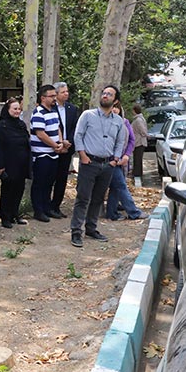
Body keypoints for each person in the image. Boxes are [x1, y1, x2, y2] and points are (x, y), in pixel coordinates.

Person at [70, 85, 127, 248]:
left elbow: (120, 141)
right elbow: (78, 135)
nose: (105, 96)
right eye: (104, 93)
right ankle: (76, 231)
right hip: (89, 162)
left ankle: (91, 228)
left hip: (107, 164)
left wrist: (115, 159)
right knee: (83, 197)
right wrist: (82, 155)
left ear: (115, 101)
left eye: (110, 94)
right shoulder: (88, 115)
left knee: (98, 198)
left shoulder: (118, 121)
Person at [0, 98, 30, 229]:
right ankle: (5, 217)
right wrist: (0, 166)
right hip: (8, 164)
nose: (17, 111)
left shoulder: (21, 125)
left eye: (19, 109)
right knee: (8, 190)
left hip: (22, 163)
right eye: (14, 109)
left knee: (19, 189)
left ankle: (15, 214)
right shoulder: (1, 126)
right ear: (7, 110)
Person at [29, 84, 64, 222]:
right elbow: (40, 134)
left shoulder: (54, 111)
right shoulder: (38, 113)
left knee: (49, 182)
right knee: (40, 183)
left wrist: (60, 142)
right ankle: (38, 210)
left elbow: (57, 127)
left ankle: (47, 208)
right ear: (43, 98)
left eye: (55, 95)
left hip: (54, 153)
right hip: (41, 154)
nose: (55, 98)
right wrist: (55, 145)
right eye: (51, 96)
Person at [105, 105, 146, 221]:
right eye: (112, 107)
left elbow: (132, 140)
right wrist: (114, 158)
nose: (114, 109)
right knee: (121, 185)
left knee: (116, 186)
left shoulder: (125, 122)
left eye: (116, 107)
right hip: (109, 160)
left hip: (122, 160)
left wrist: (126, 155)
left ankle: (112, 213)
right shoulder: (104, 123)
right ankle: (133, 212)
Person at [50, 81, 79, 215]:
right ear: (56, 94)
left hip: (67, 149)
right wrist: (60, 142)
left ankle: (56, 206)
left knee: (62, 179)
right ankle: (46, 206)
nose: (66, 94)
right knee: (50, 178)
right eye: (63, 92)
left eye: (67, 91)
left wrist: (69, 141)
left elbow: (75, 127)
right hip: (53, 148)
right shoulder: (50, 108)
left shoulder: (72, 109)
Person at [130, 103, 148, 187]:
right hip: (138, 142)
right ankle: (137, 174)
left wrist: (145, 135)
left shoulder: (138, 120)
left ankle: (137, 175)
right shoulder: (139, 119)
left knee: (138, 160)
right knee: (137, 159)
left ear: (135, 111)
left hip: (139, 142)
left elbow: (143, 131)